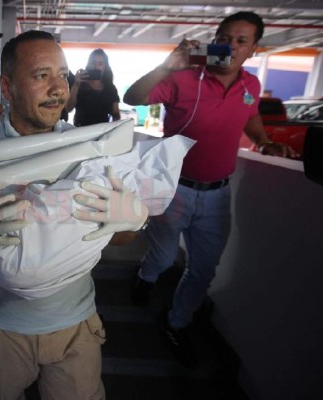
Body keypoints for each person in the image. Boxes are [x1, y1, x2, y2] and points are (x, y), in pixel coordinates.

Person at [0, 30, 149, 400]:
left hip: (75, 324)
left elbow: (120, 236)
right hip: (3, 327)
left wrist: (138, 220)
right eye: (42, 75)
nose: (58, 88)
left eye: (63, 75)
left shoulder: (91, 150)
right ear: (7, 88)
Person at [123, 11, 299, 368]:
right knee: (162, 254)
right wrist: (167, 64)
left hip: (218, 195)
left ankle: (176, 322)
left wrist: (264, 141)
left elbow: (250, 117)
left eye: (241, 41)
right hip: (174, 190)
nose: (231, 47)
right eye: (225, 38)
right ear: (214, 39)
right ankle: (146, 277)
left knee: (204, 269)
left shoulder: (250, 86)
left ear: (253, 49)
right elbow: (134, 97)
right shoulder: (184, 79)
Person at [65, 48, 120, 126]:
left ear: (105, 67)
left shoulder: (110, 88)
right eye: (93, 63)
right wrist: (76, 85)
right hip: (80, 130)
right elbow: (68, 108)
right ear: (89, 64)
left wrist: (116, 121)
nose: (96, 67)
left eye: (100, 64)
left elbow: (115, 112)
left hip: (103, 131)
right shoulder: (80, 84)